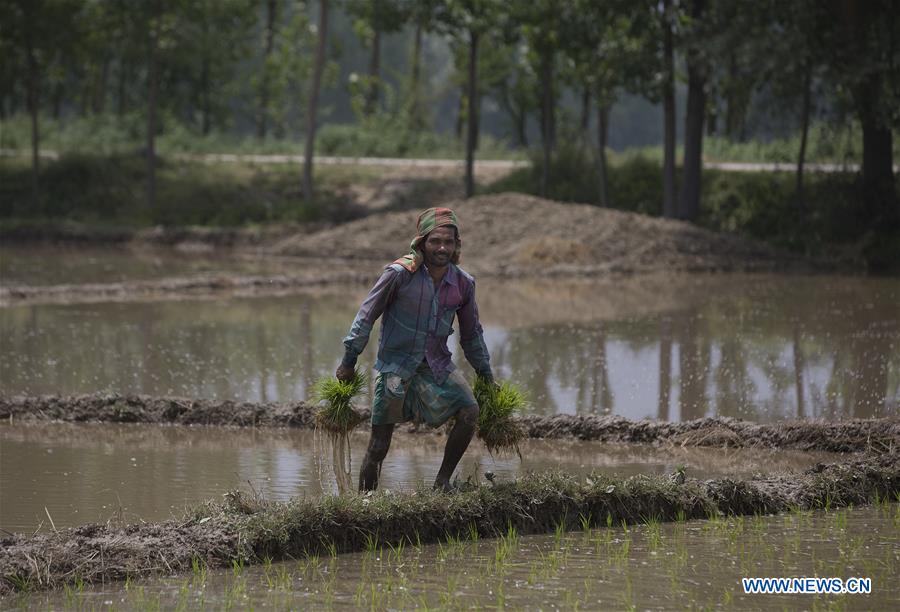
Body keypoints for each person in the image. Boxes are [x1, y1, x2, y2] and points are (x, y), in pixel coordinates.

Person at [335, 206, 495, 492]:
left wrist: (486, 375)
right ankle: (364, 502)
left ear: (457, 245)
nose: (442, 247)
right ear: (421, 242)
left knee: (470, 411)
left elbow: (472, 335)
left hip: (436, 364)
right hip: (396, 366)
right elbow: (366, 316)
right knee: (379, 444)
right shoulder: (399, 274)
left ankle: (442, 482)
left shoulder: (463, 283)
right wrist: (349, 360)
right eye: (435, 241)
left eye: (448, 241)